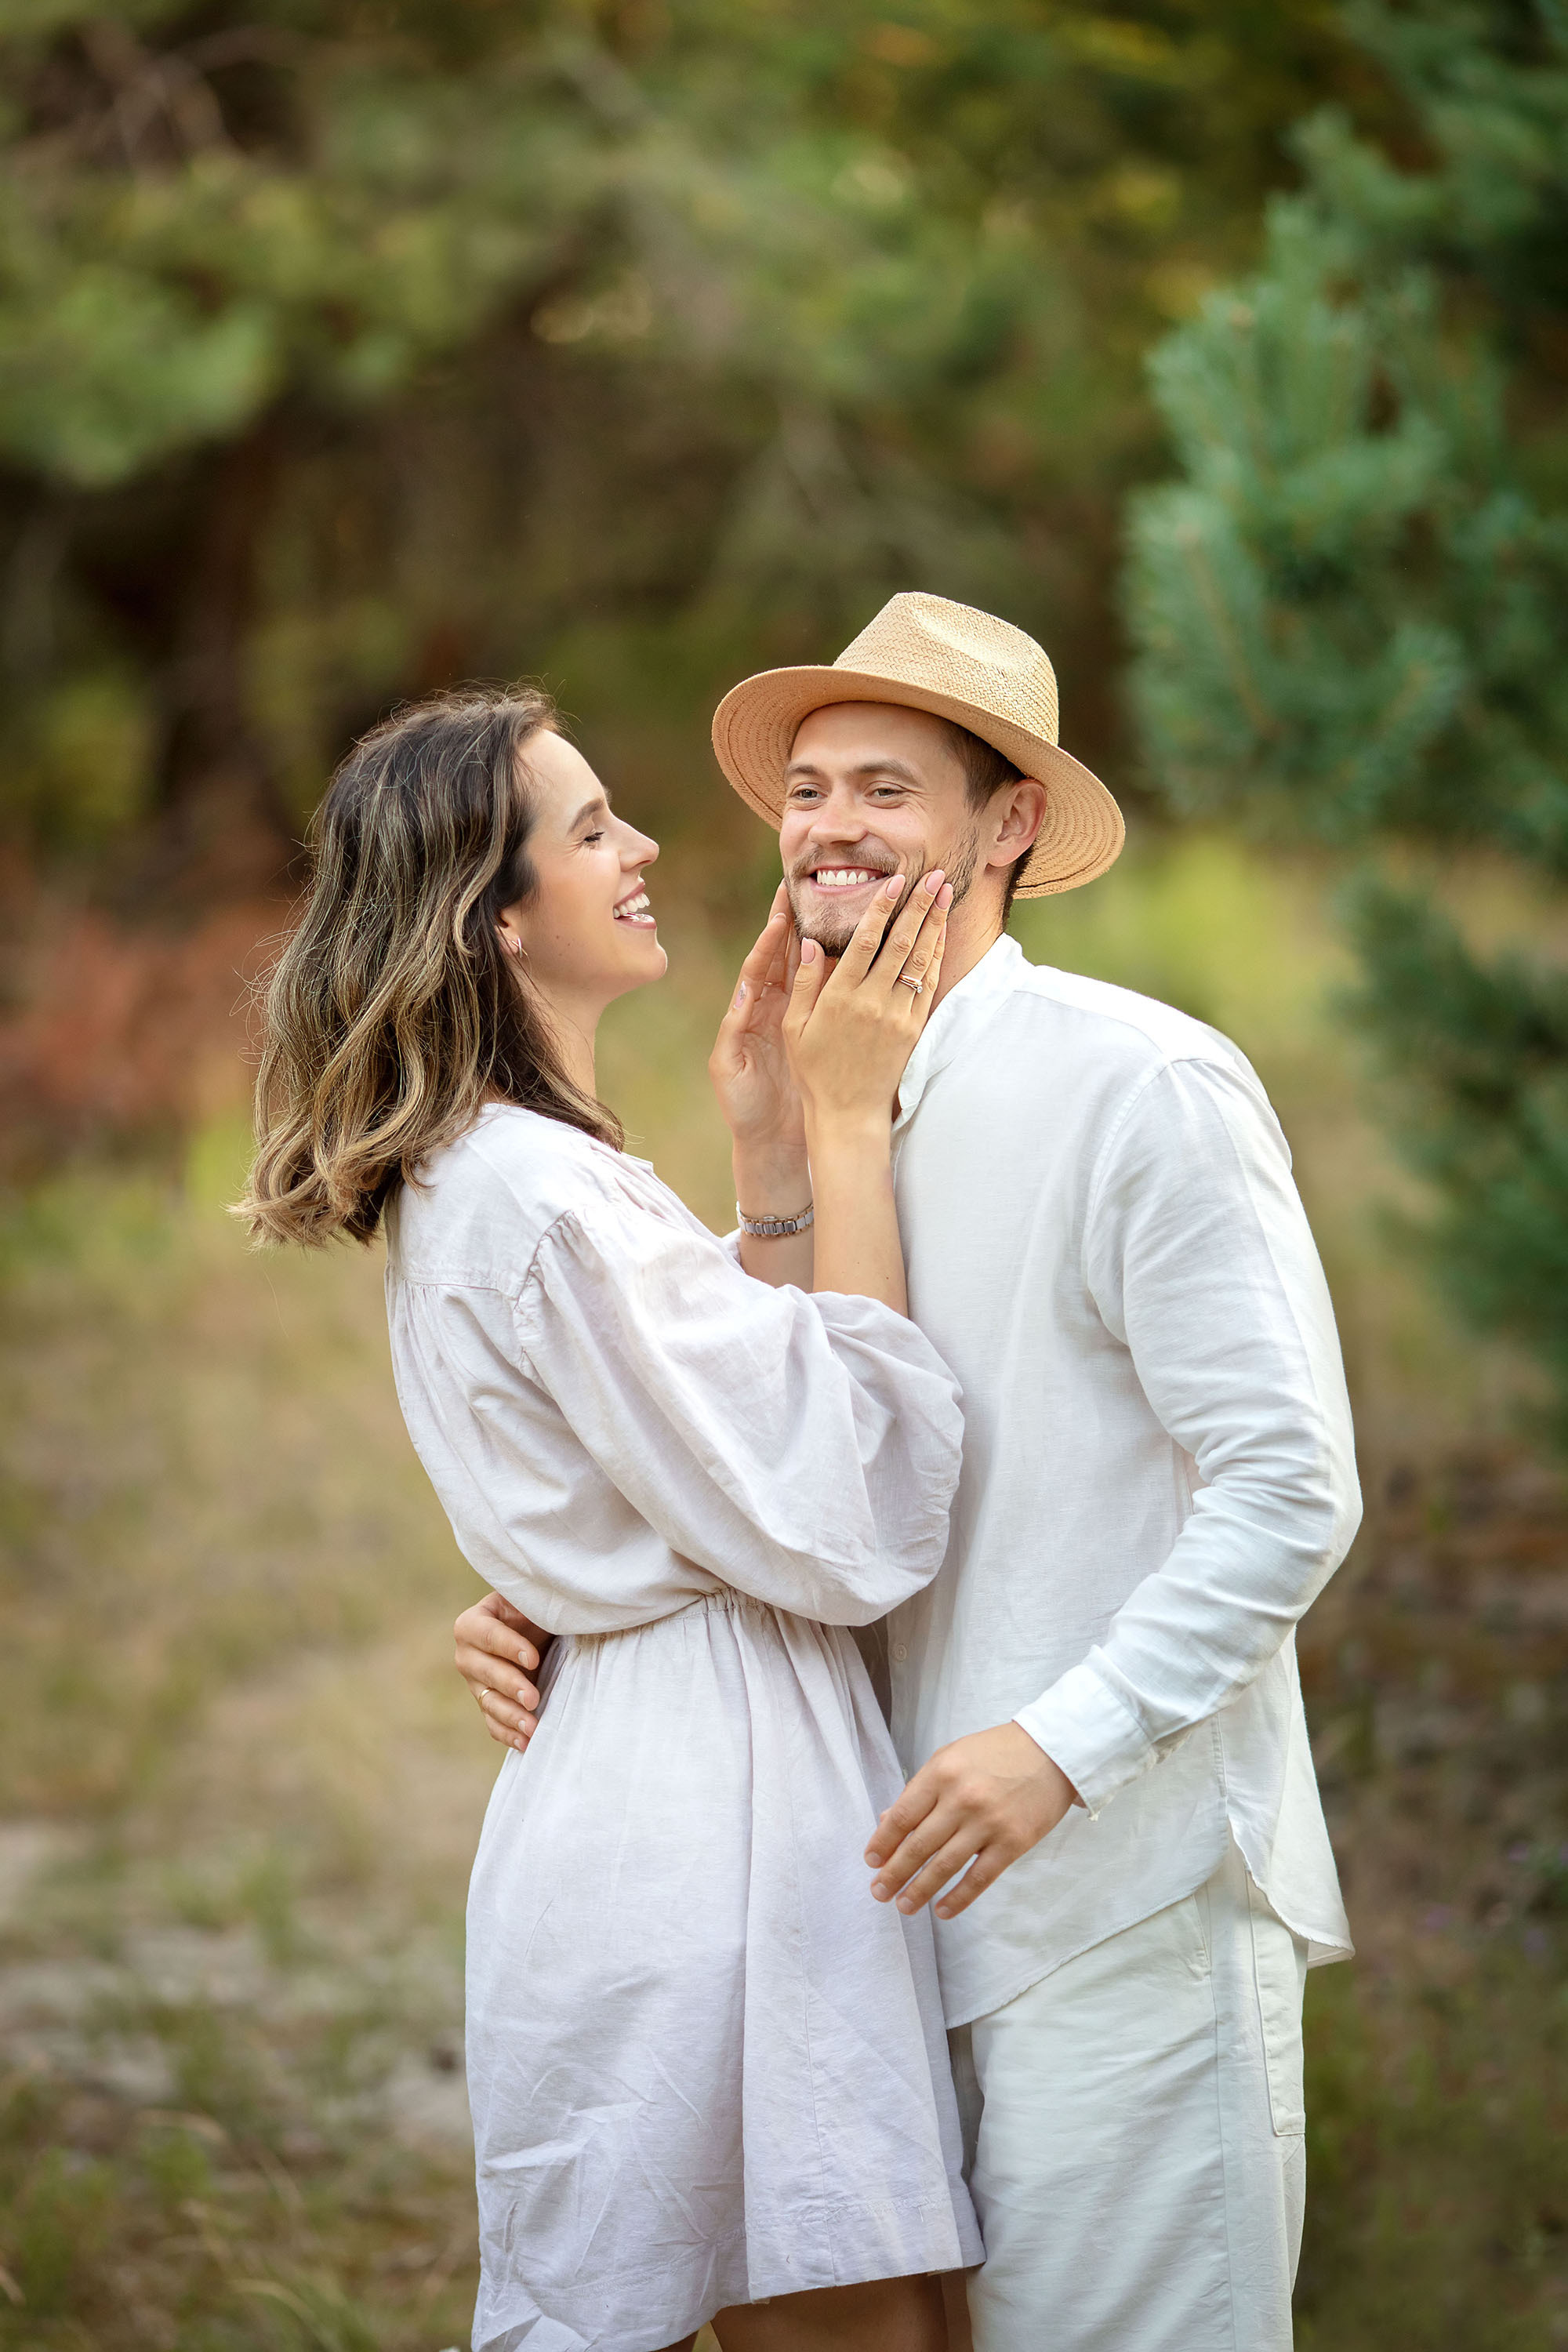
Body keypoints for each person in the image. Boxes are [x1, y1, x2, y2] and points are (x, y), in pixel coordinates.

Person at [459, 594, 1361, 2352]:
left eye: (887, 789)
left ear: (1007, 823)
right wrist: (544, 1598)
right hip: (866, 1917)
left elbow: (1287, 1488)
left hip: (1119, 1900)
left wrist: (1060, 1747)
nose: (830, 829)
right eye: (807, 792)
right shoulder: (834, 1109)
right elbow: (772, 1465)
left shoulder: (1140, 1083)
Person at [238, 684, 984, 2352]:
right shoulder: (539, 1193)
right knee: (860, 2323)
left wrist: (769, 1162)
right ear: (496, 918)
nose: (641, 845)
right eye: (589, 831)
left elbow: (696, 1429)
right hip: (708, 1830)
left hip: (668, 1782)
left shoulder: (506, 1172)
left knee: (886, 2307)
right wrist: (848, 1121)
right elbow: (851, 1493)